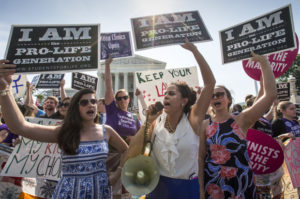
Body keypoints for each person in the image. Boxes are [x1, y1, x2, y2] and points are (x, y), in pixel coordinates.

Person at [0, 59, 128, 199]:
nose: (90, 105)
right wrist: (5, 89)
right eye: (84, 102)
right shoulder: (64, 131)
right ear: (76, 108)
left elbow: (127, 150)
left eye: (93, 101)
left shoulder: (107, 131)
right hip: (69, 193)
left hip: (100, 192)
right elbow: (20, 127)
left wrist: (118, 173)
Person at [125, 38, 216, 199]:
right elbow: (134, 153)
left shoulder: (193, 120)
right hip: (158, 189)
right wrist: (147, 122)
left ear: (184, 101)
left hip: (186, 190)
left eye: (172, 93)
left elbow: (210, 83)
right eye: (165, 93)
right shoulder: (156, 122)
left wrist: (195, 51)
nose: (166, 96)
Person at [198, 51, 277, 199]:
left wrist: (264, 63)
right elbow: (200, 158)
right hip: (214, 183)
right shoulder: (204, 125)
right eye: (212, 95)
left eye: (220, 94)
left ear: (228, 99)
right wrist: (201, 190)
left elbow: (270, 95)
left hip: (242, 181)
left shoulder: (242, 119)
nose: (216, 97)